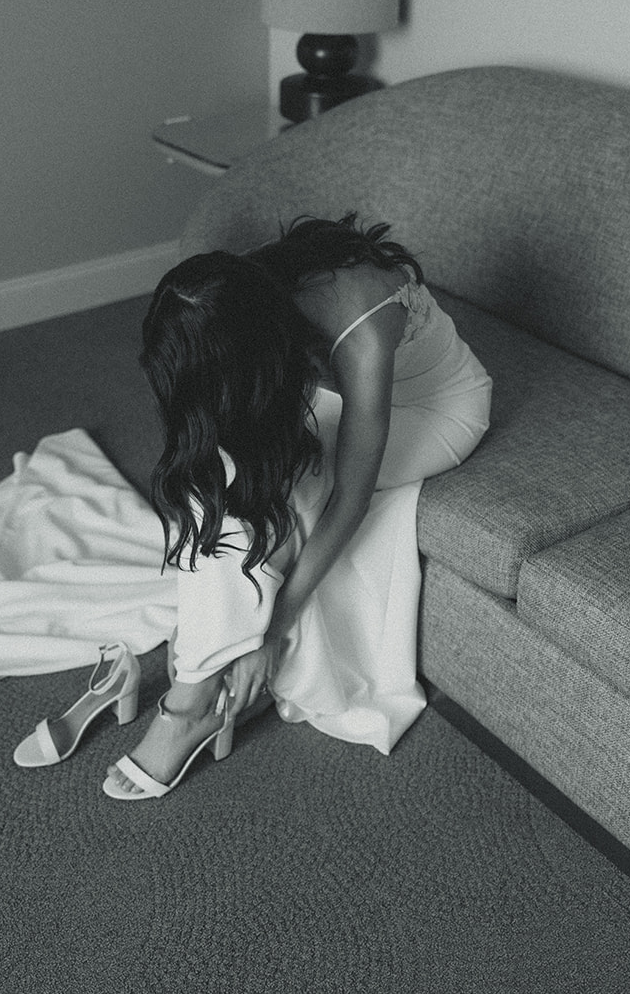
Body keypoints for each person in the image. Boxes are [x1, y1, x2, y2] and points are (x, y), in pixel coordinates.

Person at [102, 213, 492, 801]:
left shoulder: (361, 325)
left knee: (289, 496)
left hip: (435, 410)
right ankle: (204, 679)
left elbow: (352, 498)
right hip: (352, 402)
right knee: (236, 481)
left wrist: (274, 631)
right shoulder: (239, 291)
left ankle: (190, 703)